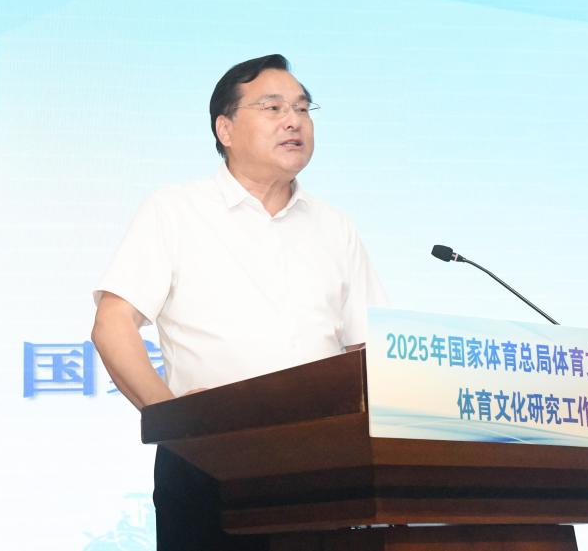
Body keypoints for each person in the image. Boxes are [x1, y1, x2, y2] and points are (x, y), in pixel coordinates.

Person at [91, 54, 385, 550]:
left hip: (323, 467)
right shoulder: (176, 210)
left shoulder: (335, 227)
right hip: (208, 463)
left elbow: (367, 349)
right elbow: (112, 323)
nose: (294, 120)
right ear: (224, 129)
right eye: (273, 107)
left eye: (303, 108)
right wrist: (173, 421)